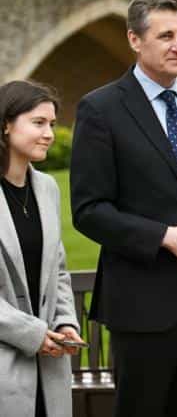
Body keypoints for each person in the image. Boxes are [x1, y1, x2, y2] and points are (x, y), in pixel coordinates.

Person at [70, 0, 177, 417]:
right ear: (134, 39)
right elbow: (89, 210)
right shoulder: (101, 109)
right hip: (140, 305)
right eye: (166, 35)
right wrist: (165, 237)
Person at [0, 81, 84, 417]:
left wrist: (66, 323)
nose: (49, 133)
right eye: (38, 123)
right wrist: (33, 334)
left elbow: (58, 268)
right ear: (5, 125)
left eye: (52, 124)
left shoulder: (47, 188)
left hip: (49, 366)